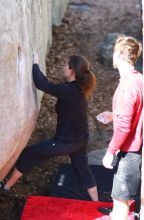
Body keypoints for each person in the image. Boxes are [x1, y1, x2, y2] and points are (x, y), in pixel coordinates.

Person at [0, 54, 98, 201]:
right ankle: (96, 204)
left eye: (66, 65)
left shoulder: (69, 91)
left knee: (29, 154)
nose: (63, 67)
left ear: (72, 71)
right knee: (83, 170)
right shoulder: (79, 89)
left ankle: (5, 188)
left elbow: (42, 84)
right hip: (80, 140)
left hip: (66, 142)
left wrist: (35, 64)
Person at [97, 36, 143, 220]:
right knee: (121, 198)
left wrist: (110, 151)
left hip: (130, 150)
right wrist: (113, 114)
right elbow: (135, 112)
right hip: (136, 147)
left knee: (120, 198)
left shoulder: (127, 85)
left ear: (118, 55)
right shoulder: (138, 78)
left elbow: (124, 127)